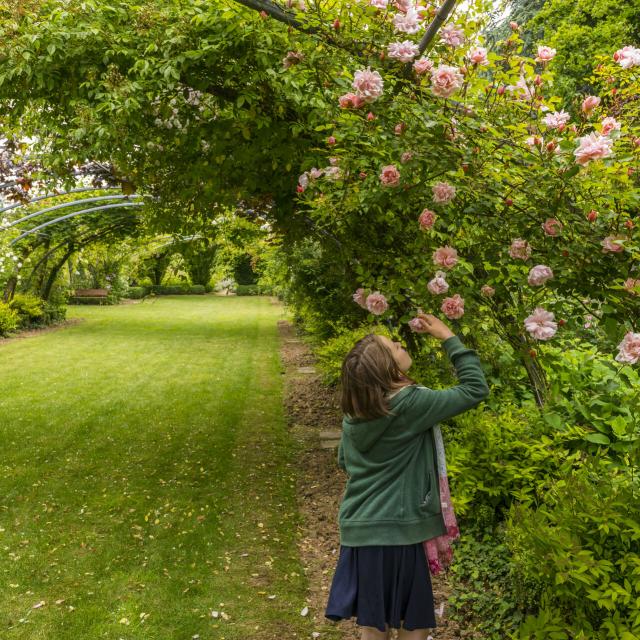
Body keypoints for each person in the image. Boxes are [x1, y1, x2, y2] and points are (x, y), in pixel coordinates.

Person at [324, 313, 490, 640]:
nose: (400, 344)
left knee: (374, 621)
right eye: (394, 347)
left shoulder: (355, 410)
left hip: (360, 531)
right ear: (388, 368)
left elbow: (345, 460)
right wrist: (447, 337)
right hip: (398, 532)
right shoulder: (411, 404)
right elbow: (475, 388)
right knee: (416, 622)